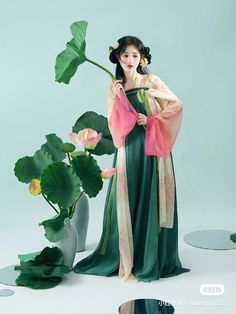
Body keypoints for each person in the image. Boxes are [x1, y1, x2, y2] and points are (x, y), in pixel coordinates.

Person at [74, 36, 190, 282]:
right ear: (118, 58)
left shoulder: (152, 81)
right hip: (129, 148)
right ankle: (127, 255)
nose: (130, 60)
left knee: (151, 194)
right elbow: (113, 124)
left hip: (152, 145)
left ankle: (151, 257)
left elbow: (176, 105)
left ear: (142, 58)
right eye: (125, 55)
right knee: (129, 196)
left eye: (134, 56)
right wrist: (118, 99)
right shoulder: (114, 86)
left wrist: (151, 120)